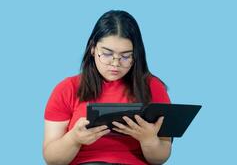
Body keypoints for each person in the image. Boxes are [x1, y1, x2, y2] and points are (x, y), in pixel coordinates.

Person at [43, 10, 172, 165]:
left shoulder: (153, 87)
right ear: (92, 49)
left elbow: (161, 158)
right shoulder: (67, 89)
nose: (115, 63)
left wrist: (149, 140)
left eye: (125, 56)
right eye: (107, 54)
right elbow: (52, 160)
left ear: (136, 55)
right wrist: (74, 139)